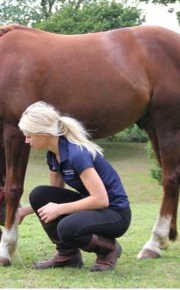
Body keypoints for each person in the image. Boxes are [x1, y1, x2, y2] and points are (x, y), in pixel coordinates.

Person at [17, 101, 131, 271]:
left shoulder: (76, 154)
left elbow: (101, 200)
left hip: (115, 213)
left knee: (67, 227)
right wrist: (24, 211)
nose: (26, 141)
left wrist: (60, 209)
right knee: (39, 194)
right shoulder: (53, 155)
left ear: (43, 134)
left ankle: (109, 249)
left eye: (28, 136)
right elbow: (54, 198)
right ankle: (67, 255)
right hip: (95, 207)